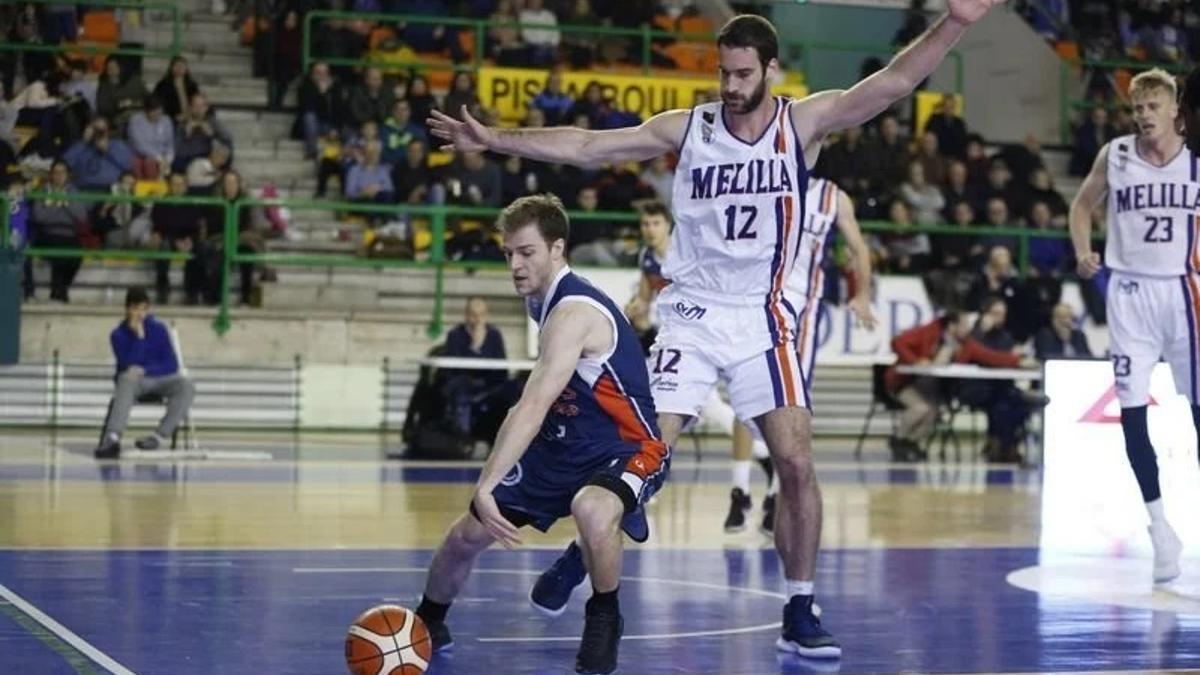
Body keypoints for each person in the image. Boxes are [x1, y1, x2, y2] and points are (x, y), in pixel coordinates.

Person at [424, 5, 990, 656]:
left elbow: (891, 84)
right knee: (643, 449)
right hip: (692, 314)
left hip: (762, 315)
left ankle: (800, 605)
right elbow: (587, 146)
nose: (729, 85)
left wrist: (955, 22)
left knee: (797, 461)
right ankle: (589, 550)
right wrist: (497, 139)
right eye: (722, 72)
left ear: (772, 71)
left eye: (742, 73)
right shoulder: (690, 127)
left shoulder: (802, 122)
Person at [412, 195, 670, 675]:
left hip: (628, 447)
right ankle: (428, 621)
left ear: (557, 249)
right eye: (508, 252)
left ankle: (604, 616)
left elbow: (531, 404)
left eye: (526, 252)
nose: (514, 263)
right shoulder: (539, 300)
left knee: (591, 509)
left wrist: (486, 483)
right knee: (464, 537)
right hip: (562, 445)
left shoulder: (572, 311)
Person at [1069, 68, 1199, 584]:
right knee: (1132, 415)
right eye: (1137, 107)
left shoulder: (1196, 159)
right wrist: (1083, 250)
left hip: (1184, 293)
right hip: (1128, 294)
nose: (1143, 115)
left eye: (1152, 106)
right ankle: (1160, 526)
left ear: (1174, 111)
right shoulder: (1115, 155)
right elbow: (1081, 205)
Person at [94, 287, 197, 459]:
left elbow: (171, 364)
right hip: (134, 383)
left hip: (160, 379)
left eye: (143, 309)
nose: (140, 314)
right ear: (127, 309)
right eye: (135, 309)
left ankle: (158, 437)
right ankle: (112, 439)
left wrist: (146, 369)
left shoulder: (159, 329)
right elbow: (127, 363)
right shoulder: (118, 335)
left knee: (186, 385)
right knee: (125, 378)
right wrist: (139, 337)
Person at [439, 296, 516, 446]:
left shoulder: (494, 335)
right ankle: (463, 440)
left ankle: (507, 441)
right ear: (466, 315)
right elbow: (453, 368)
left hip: (489, 384)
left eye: (481, 314)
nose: (477, 319)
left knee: (513, 388)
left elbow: (502, 368)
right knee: (460, 388)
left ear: (486, 315)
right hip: (463, 382)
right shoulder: (455, 335)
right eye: (473, 314)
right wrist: (475, 345)